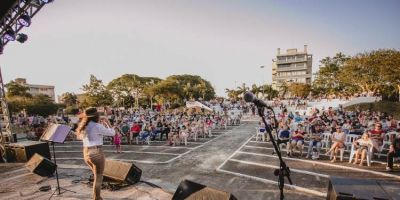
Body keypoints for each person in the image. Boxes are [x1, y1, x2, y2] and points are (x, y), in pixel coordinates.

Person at [76, 107, 115, 200]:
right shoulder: (97, 126)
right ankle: (97, 198)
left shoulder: (84, 126)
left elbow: (81, 137)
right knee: (98, 177)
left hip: (86, 152)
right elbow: (112, 133)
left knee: (96, 175)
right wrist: (107, 123)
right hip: (96, 152)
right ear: (96, 116)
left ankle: (95, 196)